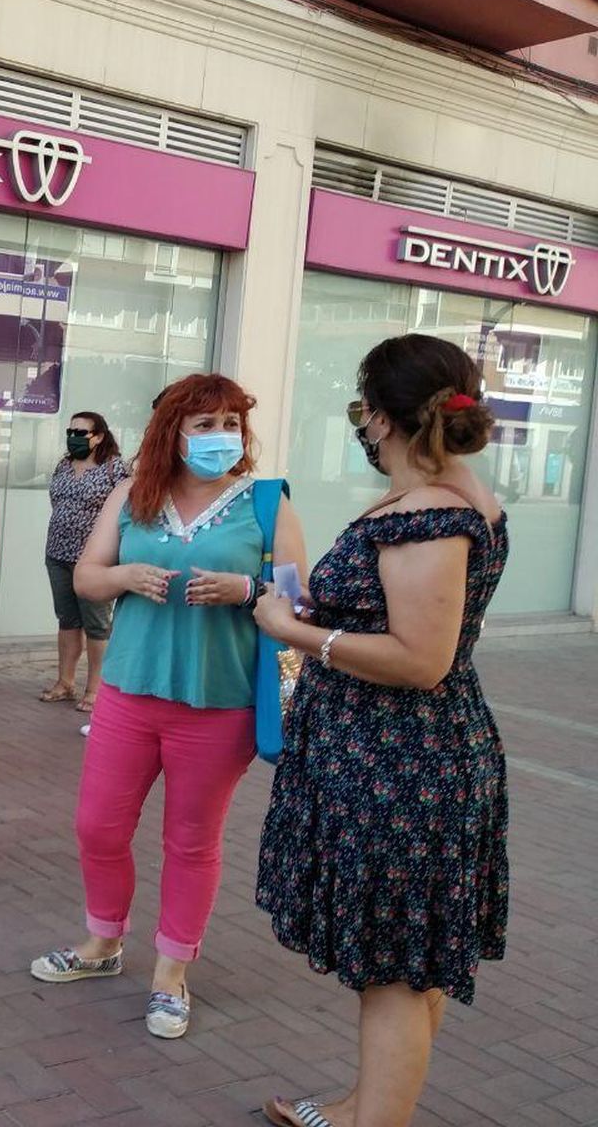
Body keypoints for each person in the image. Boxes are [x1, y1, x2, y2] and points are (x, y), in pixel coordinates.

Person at [254, 336, 507, 1127]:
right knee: (412, 959)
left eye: (362, 406)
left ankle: (375, 1121)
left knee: (395, 971)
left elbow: (421, 659)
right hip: (409, 756)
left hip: (400, 765)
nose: (358, 423)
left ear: (383, 419)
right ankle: (365, 1104)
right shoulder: (447, 491)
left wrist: (297, 634)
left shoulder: (429, 514)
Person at [29, 374, 307, 1041]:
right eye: (204, 425)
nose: (221, 437)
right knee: (98, 825)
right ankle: (103, 942)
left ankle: (171, 975)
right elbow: (87, 575)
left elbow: (300, 598)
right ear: (171, 432)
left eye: (231, 424)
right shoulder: (133, 495)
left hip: (220, 703)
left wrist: (248, 587)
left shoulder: (266, 503)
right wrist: (123, 577)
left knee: (191, 840)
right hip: (129, 690)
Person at [41, 412, 128, 722]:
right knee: (67, 619)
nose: (74, 436)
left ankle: (95, 689)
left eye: (82, 431)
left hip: (93, 559)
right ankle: (65, 682)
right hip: (58, 552)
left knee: (96, 624)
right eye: (71, 430)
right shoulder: (64, 465)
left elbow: (126, 507)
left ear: (99, 436)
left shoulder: (114, 468)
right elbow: (57, 502)